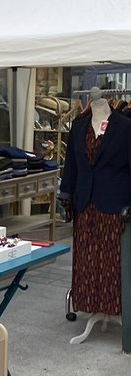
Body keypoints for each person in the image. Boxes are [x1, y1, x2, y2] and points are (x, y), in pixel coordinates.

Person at [60, 89, 131, 318]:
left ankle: (114, 308)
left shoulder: (125, 127)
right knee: (86, 260)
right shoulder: (79, 127)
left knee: (112, 260)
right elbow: (70, 165)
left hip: (114, 206)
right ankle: (89, 305)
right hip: (84, 205)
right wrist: (67, 195)